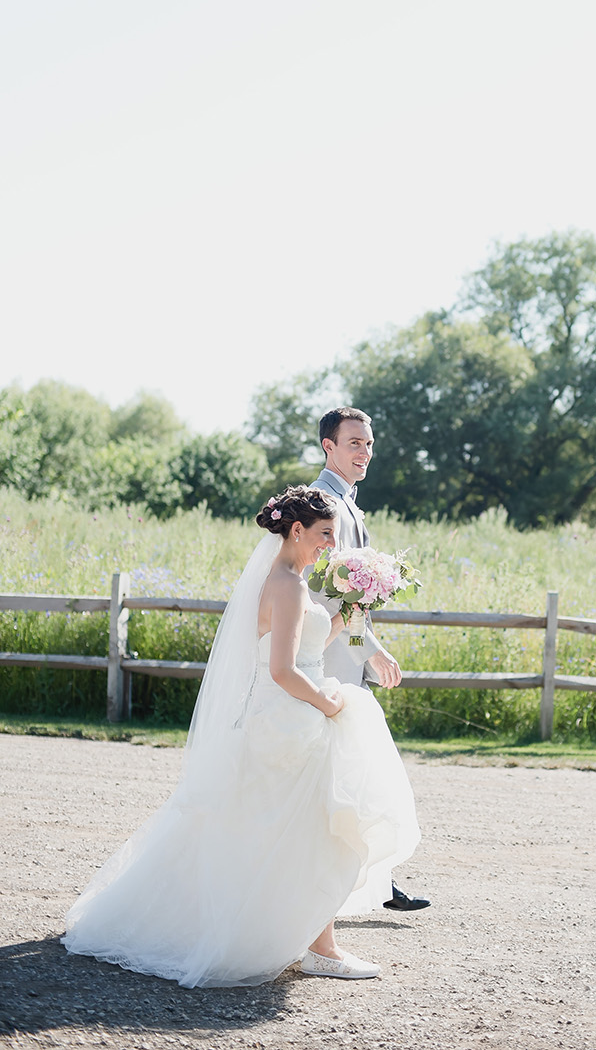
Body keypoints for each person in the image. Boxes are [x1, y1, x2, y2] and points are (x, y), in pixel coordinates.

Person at [62, 487, 420, 986]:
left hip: (287, 712)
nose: (329, 546)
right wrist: (328, 702)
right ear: (297, 530)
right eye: (323, 535)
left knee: (297, 830)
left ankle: (316, 943)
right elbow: (283, 670)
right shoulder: (289, 585)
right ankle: (322, 948)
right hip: (293, 715)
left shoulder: (290, 580)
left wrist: (355, 607)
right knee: (315, 830)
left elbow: (313, 640)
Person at [310, 406, 430, 914]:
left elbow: (352, 596)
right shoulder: (325, 506)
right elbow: (331, 596)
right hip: (328, 661)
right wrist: (371, 650)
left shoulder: (350, 505)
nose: (365, 453)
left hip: (346, 656)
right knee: (335, 773)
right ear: (328, 447)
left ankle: (374, 880)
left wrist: (369, 647)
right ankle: (356, 881)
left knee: (351, 773)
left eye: (369, 444)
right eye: (355, 443)